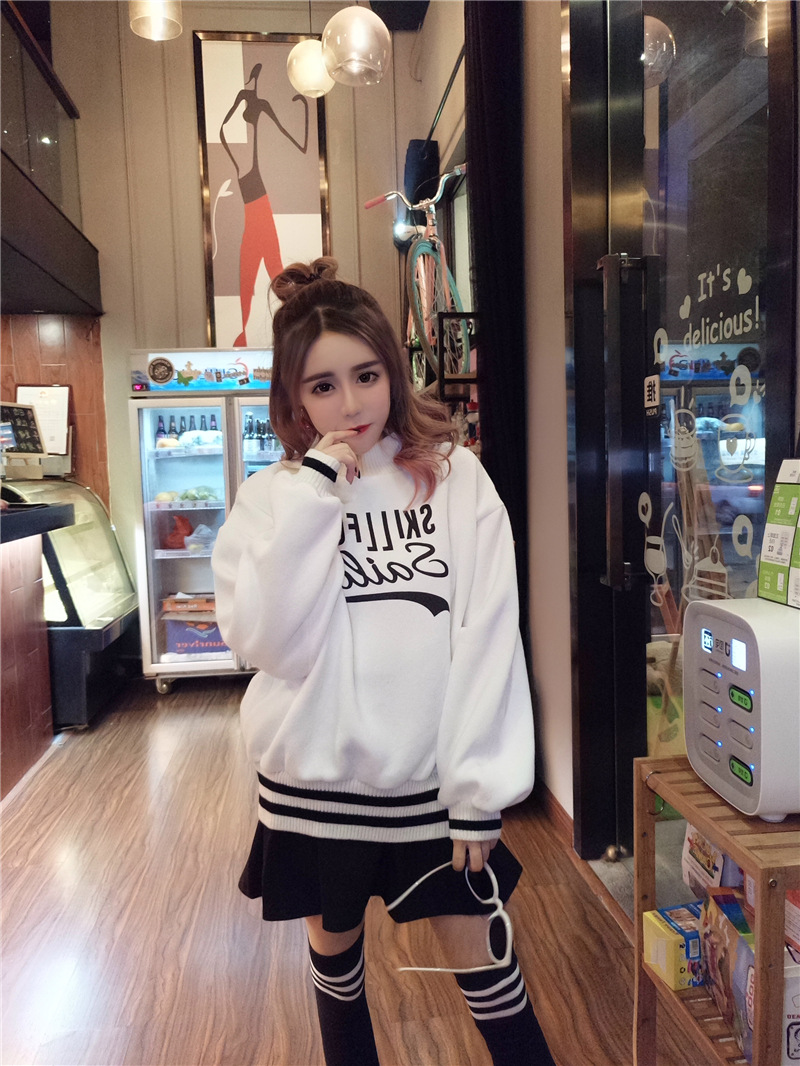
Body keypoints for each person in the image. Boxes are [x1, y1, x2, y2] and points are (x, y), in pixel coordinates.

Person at [212, 258, 556, 1066]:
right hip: (312, 786)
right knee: (334, 962)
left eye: (365, 375)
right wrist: (317, 493)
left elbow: (488, 634)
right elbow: (269, 645)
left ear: (392, 373)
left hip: (430, 789)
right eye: (322, 385)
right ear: (294, 398)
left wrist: (478, 789)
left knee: (484, 962)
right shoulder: (273, 497)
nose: (350, 404)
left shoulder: (455, 479)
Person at [219, 63, 310, 348]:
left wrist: (301, 111)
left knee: (270, 272)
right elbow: (224, 130)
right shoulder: (246, 104)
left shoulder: (259, 107)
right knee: (262, 274)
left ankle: (265, 333)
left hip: (259, 208)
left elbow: (294, 140)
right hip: (255, 208)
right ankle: (251, 334)